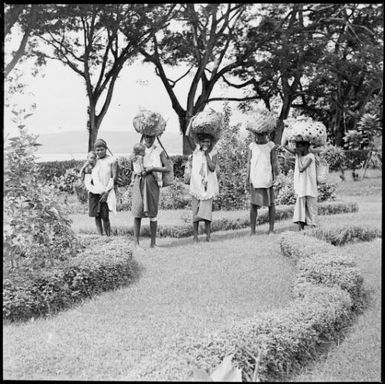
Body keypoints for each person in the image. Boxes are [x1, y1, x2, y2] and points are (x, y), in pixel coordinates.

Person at [131, 134, 170, 249]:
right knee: (137, 211)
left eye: (151, 137)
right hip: (139, 181)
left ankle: (153, 243)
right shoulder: (138, 149)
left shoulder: (159, 151)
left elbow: (167, 168)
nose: (148, 139)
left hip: (152, 181)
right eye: (146, 137)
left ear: (155, 137)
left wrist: (153, 168)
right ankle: (136, 243)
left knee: (153, 211)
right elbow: (133, 167)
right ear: (143, 136)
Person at [80, 139, 117, 236]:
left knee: (105, 216)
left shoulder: (112, 160)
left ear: (106, 149)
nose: (99, 152)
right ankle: (100, 236)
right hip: (94, 191)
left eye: (102, 149)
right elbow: (86, 173)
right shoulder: (94, 160)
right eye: (97, 150)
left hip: (106, 191)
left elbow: (114, 177)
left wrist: (107, 193)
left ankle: (108, 236)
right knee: (97, 215)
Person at [246, 131, 279, 235]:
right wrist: (247, 178)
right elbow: (249, 163)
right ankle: (252, 231)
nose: (259, 137)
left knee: (271, 204)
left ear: (266, 134)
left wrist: (276, 176)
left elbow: (274, 161)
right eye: (257, 135)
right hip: (255, 178)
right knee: (253, 205)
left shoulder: (270, 145)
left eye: (262, 135)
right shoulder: (252, 146)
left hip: (267, 178)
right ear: (255, 135)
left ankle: (271, 229)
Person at [188, 133, 219, 242]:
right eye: (204, 141)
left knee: (207, 212)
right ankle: (195, 237)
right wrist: (191, 122)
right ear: (200, 142)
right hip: (197, 185)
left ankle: (208, 236)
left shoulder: (213, 152)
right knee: (195, 211)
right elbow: (188, 136)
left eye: (208, 141)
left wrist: (206, 155)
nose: (206, 143)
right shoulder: (196, 150)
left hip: (208, 186)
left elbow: (212, 168)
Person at [283, 139, 318, 230]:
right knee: (300, 209)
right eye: (296, 146)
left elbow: (301, 169)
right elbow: (284, 145)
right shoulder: (299, 155)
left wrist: (298, 155)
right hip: (302, 187)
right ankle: (301, 229)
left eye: (299, 146)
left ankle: (313, 228)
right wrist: (286, 131)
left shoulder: (310, 156)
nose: (296, 148)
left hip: (309, 187)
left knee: (311, 208)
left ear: (305, 146)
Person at [80, 150, 117, 217]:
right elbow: (88, 182)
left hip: (100, 190)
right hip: (94, 191)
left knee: (104, 215)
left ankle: (106, 227)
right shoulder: (88, 168)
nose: (93, 159)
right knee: (97, 215)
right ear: (87, 158)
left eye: (94, 158)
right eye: (91, 158)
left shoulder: (97, 165)